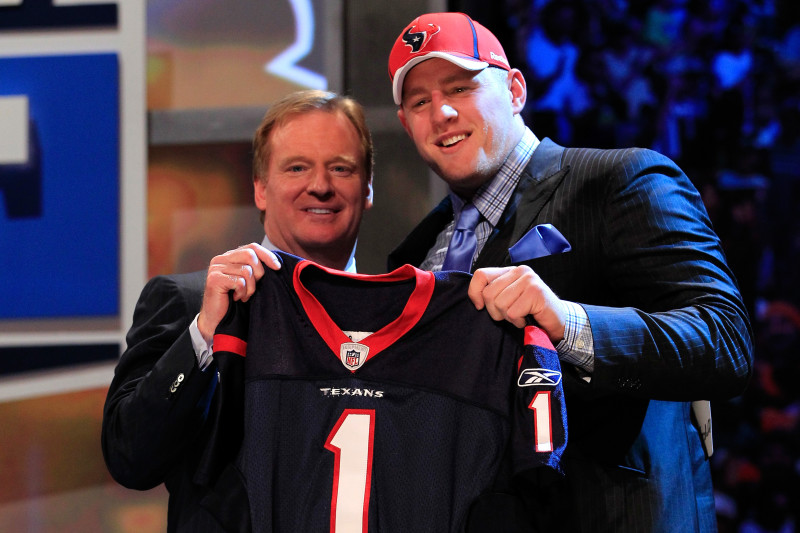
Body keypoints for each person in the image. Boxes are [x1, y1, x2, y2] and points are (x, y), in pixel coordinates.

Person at [387, 12, 753, 533]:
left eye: (460, 87)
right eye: (418, 102)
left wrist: (568, 323)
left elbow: (724, 341)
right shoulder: (414, 254)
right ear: (405, 123)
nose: (441, 112)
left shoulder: (620, 181)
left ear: (515, 89)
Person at [101, 89, 374, 532]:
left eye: (340, 168)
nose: (320, 185)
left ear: (367, 189)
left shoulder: (396, 320)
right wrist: (205, 332)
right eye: (297, 167)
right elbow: (130, 456)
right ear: (261, 189)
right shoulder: (189, 302)